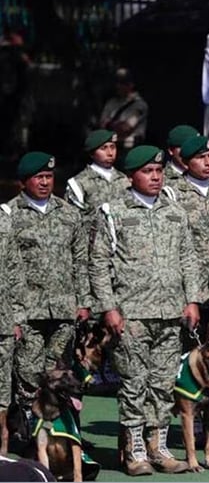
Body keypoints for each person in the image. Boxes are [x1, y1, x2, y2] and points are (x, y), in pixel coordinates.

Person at [88, 145, 202, 475]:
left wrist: (191, 299)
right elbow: (99, 264)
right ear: (131, 175)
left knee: (163, 384)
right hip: (131, 313)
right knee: (134, 384)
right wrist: (109, 308)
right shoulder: (113, 211)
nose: (155, 177)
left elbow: (188, 259)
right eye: (147, 172)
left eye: (159, 171)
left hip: (169, 313)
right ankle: (135, 450)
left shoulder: (174, 211)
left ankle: (159, 446)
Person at [7, 152, 90, 415]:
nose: (44, 182)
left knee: (60, 372)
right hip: (28, 309)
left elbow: (80, 259)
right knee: (28, 371)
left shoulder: (68, 213)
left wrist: (84, 301)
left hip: (64, 307)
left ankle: (61, 432)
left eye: (49, 176)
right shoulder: (10, 215)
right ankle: (28, 428)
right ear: (23, 182)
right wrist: (12, 313)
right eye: (38, 177)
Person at [171, 136, 209, 333]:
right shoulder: (173, 194)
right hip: (192, 289)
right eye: (200, 158)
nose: (208, 162)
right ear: (186, 162)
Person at [0, 203, 25, 454]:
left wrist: (17, 316)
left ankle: (2, 451)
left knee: (2, 389)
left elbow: (15, 271)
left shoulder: (4, 218)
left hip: (3, 321)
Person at [65, 129, 130, 216]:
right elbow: (72, 217)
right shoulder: (79, 182)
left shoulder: (124, 179)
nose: (110, 153)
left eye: (113, 147)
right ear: (92, 153)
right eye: (103, 148)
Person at [99, 68, 148, 151]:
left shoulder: (140, 105)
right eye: (117, 82)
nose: (118, 86)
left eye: (122, 83)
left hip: (130, 149)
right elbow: (102, 125)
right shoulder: (111, 102)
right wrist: (116, 125)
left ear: (131, 84)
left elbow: (125, 128)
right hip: (111, 149)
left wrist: (110, 124)